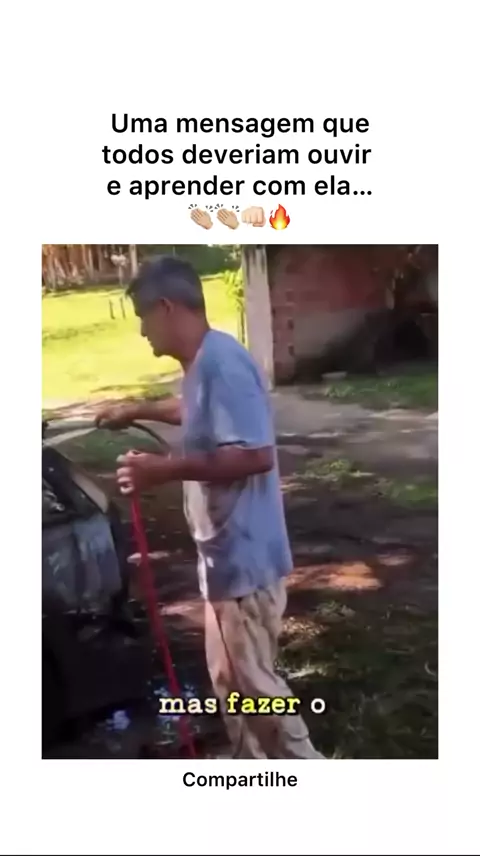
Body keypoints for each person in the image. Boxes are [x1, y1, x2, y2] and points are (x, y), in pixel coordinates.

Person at [96, 255, 325, 759]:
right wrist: (135, 410)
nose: (141, 331)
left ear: (166, 308)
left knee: (257, 688)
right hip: (224, 560)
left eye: (143, 317)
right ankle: (249, 768)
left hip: (246, 562)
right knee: (228, 678)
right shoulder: (203, 363)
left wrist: (163, 470)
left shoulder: (223, 362)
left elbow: (256, 455)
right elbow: (195, 409)